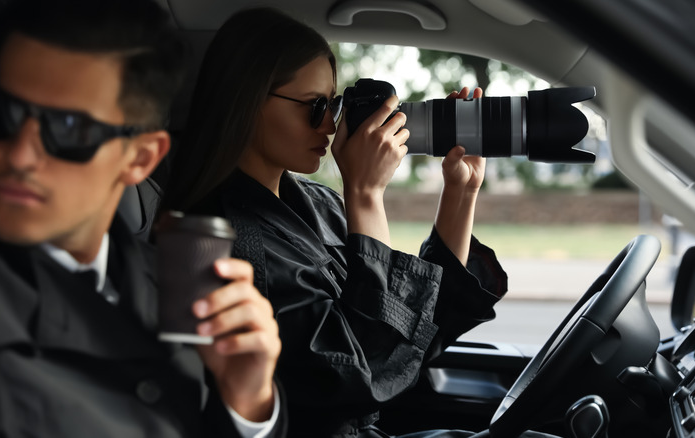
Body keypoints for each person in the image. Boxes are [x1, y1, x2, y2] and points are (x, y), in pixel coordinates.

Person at [161, 7, 534, 438]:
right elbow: (360, 375)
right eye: (314, 105)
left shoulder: (319, 203)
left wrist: (461, 191)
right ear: (248, 100)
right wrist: (366, 194)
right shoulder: (223, 240)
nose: (329, 124)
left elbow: (409, 340)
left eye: (334, 104)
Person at [0, 0, 286, 437]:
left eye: (70, 129)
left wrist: (247, 404)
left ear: (140, 158)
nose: (18, 155)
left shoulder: (172, 289)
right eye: (1, 111)